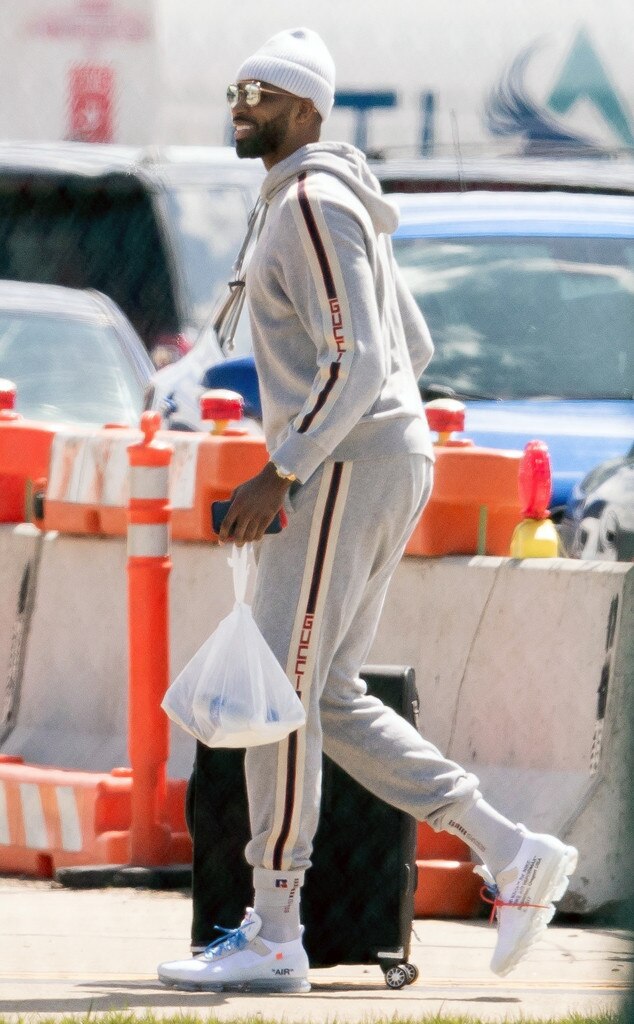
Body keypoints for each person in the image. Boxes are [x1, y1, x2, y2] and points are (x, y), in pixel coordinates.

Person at [158, 27, 577, 993]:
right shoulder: (326, 198)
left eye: (261, 92)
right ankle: (509, 848)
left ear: (307, 110)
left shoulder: (309, 199)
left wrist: (290, 467)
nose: (242, 103)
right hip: (371, 458)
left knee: (280, 692)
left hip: (342, 464)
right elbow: (411, 343)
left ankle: (274, 930)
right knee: (327, 695)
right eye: (237, 86)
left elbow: (365, 360)